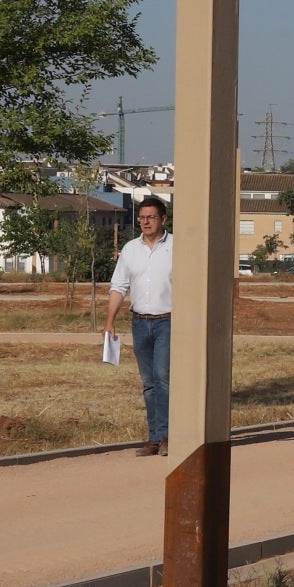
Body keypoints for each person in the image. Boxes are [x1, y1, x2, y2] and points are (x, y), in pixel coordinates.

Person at [102, 194, 173, 456]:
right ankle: (154, 437)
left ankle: (167, 436)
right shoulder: (131, 249)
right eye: (142, 217)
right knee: (148, 382)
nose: (145, 222)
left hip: (167, 321)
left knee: (163, 379)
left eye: (151, 217)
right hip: (140, 323)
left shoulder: (176, 247)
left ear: (163, 219)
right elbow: (118, 286)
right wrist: (110, 322)